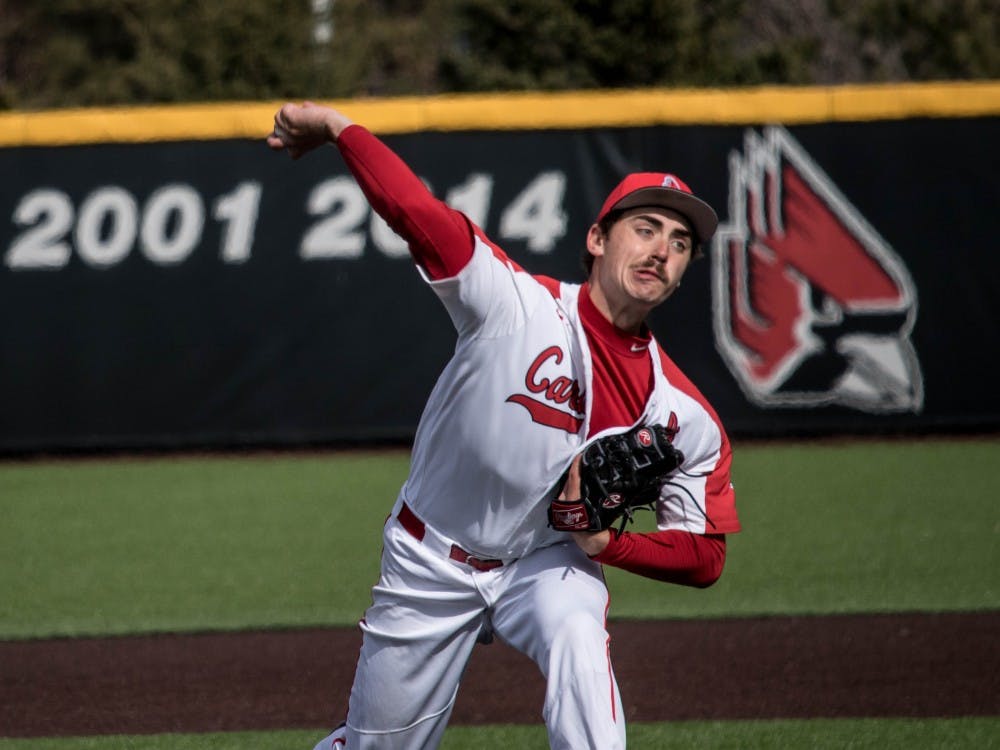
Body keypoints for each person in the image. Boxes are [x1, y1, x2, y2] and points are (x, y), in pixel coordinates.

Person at [267, 101, 741, 750]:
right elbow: (418, 215)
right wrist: (340, 129)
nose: (662, 250)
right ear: (599, 239)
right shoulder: (514, 303)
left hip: (547, 560)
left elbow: (706, 554)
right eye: (647, 228)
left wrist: (608, 545)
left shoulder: (684, 414)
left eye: (681, 243)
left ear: (686, 271)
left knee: (577, 632)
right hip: (432, 556)